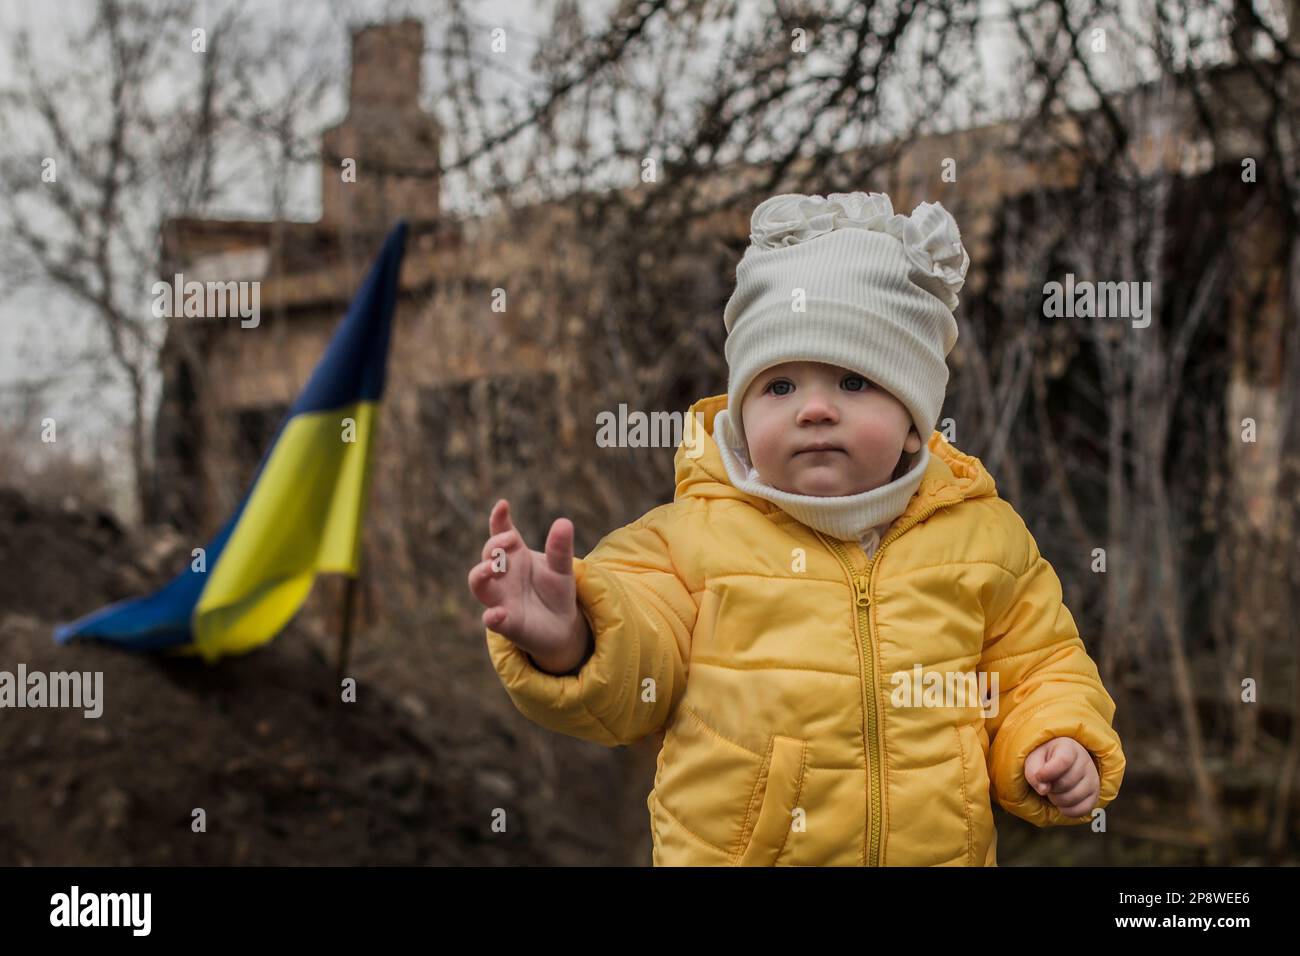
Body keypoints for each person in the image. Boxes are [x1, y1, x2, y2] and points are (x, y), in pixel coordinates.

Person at [468, 191, 1125, 866]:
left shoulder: (985, 541)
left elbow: (1038, 668)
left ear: (912, 424)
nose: (815, 410)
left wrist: (1055, 738)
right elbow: (638, 667)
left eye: (852, 381)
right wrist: (571, 637)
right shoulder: (687, 541)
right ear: (743, 416)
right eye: (780, 387)